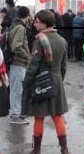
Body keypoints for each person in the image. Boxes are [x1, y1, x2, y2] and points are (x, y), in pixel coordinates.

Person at [21, 9, 70, 154]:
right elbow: (64, 66)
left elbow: (33, 65)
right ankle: (65, 149)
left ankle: (36, 150)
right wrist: (59, 79)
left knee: (39, 116)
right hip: (56, 80)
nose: (35, 23)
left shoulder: (39, 40)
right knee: (57, 115)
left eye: (37, 21)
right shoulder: (62, 40)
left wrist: (27, 82)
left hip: (41, 81)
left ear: (45, 23)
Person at [8, 6, 31, 124]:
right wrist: (28, 57)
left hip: (15, 63)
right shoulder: (20, 28)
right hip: (18, 63)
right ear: (27, 16)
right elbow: (16, 46)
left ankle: (16, 113)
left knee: (15, 89)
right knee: (17, 90)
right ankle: (15, 116)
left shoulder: (13, 25)